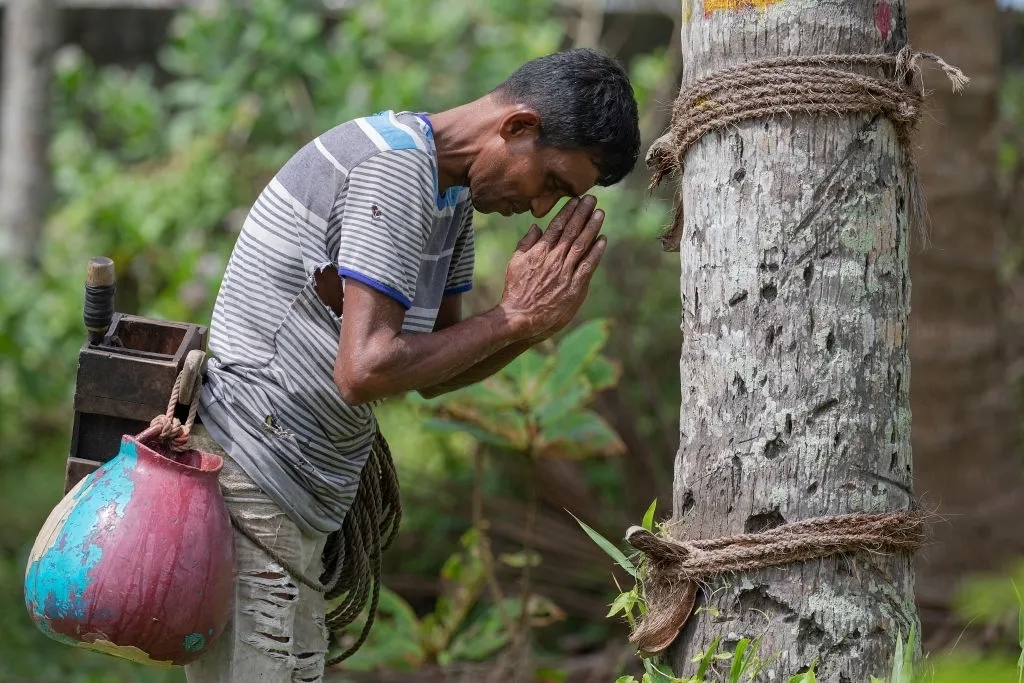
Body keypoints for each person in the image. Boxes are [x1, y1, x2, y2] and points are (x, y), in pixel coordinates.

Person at [185, 47, 640, 683]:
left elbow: (433, 372)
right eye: (552, 182)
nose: (542, 208)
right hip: (253, 475)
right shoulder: (395, 168)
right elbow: (366, 370)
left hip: (298, 492)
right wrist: (512, 317)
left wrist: (532, 326)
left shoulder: (449, 196)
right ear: (518, 126)